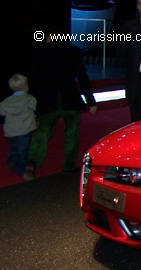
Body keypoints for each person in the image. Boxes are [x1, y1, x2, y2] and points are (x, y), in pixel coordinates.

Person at [26, 28, 98, 178]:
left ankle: (33, 161)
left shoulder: (39, 52)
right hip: (69, 98)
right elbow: (82, 78)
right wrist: (91, 101)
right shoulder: (73, 51)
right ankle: (68, 166)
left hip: (48, 99)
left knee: (43, 131)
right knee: (72, 132)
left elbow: (34, 80)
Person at [0, 74, 36, 179]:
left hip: (11, 130)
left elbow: (2, 112)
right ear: (25, 86)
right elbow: (34, 108)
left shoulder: (7, 101)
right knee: (23, 150)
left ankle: (11, 162)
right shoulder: (30, 99)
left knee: (13, 147)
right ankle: (21, 170)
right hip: (25, 129)